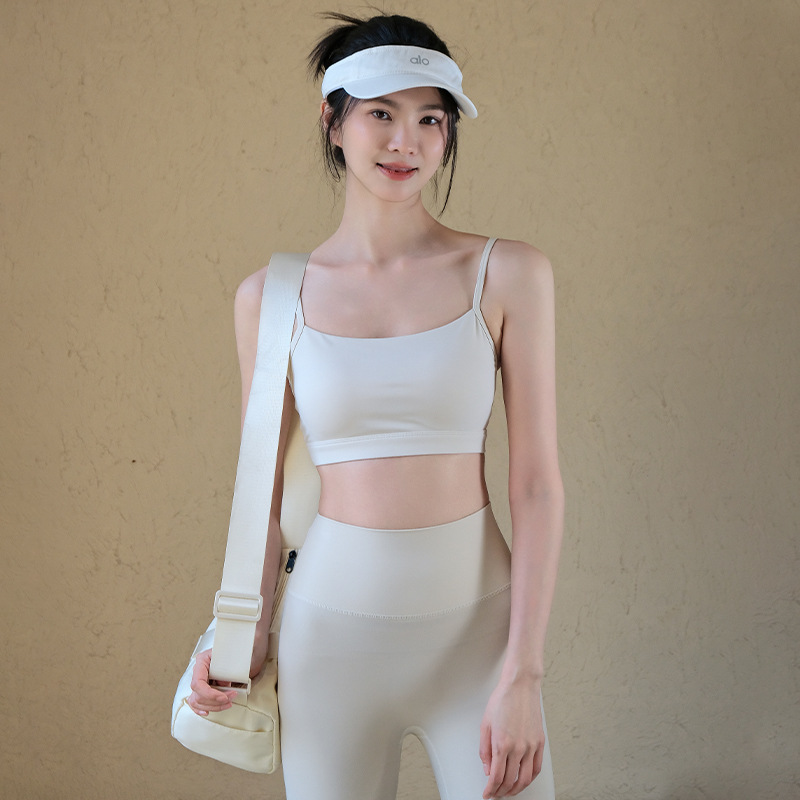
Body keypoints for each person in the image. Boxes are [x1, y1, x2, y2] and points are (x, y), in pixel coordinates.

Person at [186, 12, 563, 800]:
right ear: (333, 123)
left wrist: (525, 673)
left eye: (430, 119)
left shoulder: (508, 275)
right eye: (381, 114)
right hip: (329, 643)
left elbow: (535, 486)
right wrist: (237, 632)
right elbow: (262, 492)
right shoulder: (270, 299)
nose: (405, 142)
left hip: (481, 639)